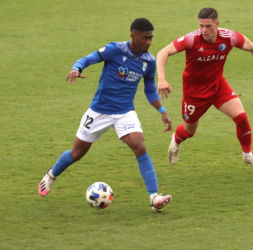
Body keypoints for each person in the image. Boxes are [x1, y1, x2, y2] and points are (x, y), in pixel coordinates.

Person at [38, 18, 172, 212]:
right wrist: (77, 68)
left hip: (125, 112)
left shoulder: (148, 61)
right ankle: (51, 174)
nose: (149, 42)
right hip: (99, 111)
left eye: (151, 38)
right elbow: (88, 59)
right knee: (77, 153)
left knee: (139, 146)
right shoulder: (115, 50)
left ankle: (154, 197)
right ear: (133, 35)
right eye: (145, 38)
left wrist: (162, 111)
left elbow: (150, 89)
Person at [156, 8, 253, 170]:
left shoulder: (229, 37)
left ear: (217, 24)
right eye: (201, 26)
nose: (204, 30)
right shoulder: (191, 39)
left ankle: (248, 155)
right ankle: (176, 140)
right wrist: (162, 79)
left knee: (241, 118)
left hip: (217, 86)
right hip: (195, 93)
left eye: (208, 26)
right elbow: (163, 52)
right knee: (189, 131)